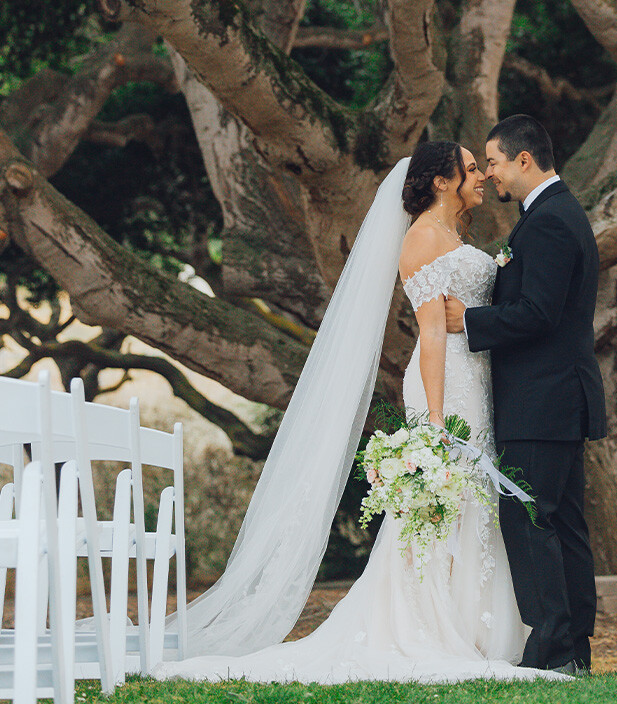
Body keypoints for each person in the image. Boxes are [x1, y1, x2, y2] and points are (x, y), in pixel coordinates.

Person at [154, 143, 559, 684]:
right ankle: (430, 626)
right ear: (441, 182)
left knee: (476, 503)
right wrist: (436, 420)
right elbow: (432, 332)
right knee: (446, 499)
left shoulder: (458, 236)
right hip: (446, 385)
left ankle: (481, 627)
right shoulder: (420, 240)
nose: (482, 176)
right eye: (469, 169)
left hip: (477, 378)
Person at [445, 114, 607, 676]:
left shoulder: (552, 222)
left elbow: (538, 314)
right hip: (554, 400)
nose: (489, 174)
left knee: (532, 519)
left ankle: (555, 648)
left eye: (492, 162)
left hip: (544, 401)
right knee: (560, 524)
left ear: (522, 159)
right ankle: (572, 652)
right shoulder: (548, 216)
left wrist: (470, 320)